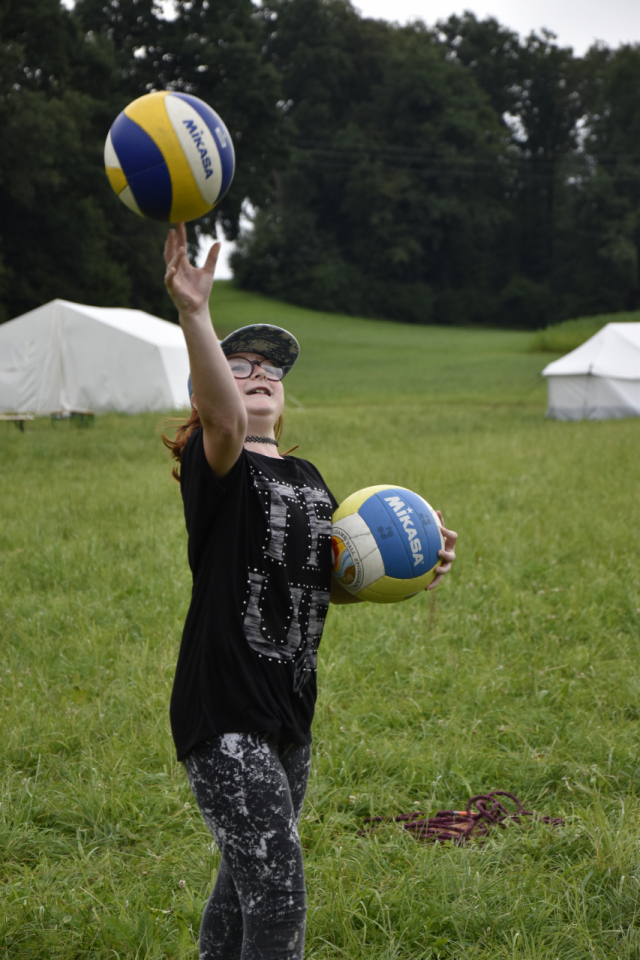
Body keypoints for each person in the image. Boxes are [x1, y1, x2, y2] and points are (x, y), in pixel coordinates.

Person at [162, 223, 458, 960]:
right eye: (239, 365)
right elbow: (224, 418)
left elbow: (319, 583)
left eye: (271, 367)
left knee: (243, 884)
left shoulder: (309, 478)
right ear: (207, 388)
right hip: (224, 711)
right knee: (280, 895)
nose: (259, 372)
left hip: (290, 713)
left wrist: (412, 569)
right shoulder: (217, 462)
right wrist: (196, 314)